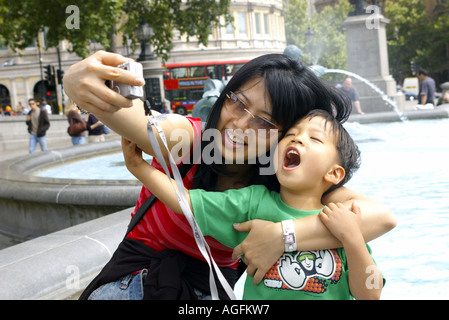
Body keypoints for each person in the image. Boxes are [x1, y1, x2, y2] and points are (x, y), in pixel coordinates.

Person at [63, 51, 396, 300]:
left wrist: (282, 235)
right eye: (237, 102)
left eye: (264, 122)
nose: (239, 125)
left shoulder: (284, 181)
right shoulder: (195, 141)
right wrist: (78, 83)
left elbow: (380, 217)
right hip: (136, 285)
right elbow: (139, 123)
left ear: (284, 135)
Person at [123, 109, 384, 300]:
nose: (297, 139)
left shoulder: (339, 221)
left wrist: (352, 238)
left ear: (334, 174)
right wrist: (140, 168)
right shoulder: (252, 202)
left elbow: (370, 295)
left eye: (314, 139)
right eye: (291, 134)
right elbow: (188, 203)